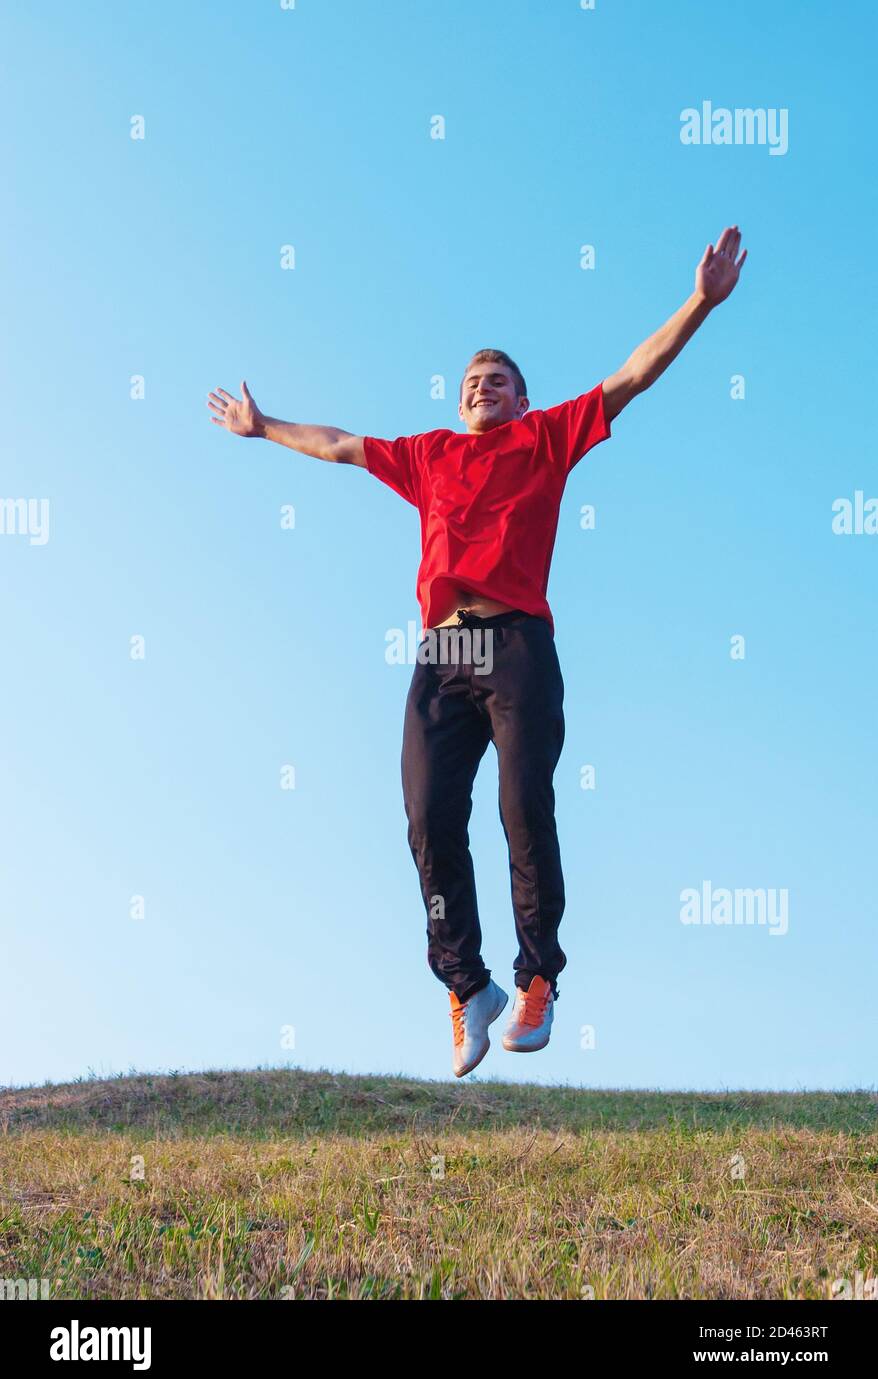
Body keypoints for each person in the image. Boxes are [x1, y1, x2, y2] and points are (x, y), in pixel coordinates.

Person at [207, 225, 747, 1078]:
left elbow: (633, 374)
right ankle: (470, 985)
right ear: (459, 402)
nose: (482, 389)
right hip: (440, 657)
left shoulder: (547, 439)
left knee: (522, 806)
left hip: (519, 646)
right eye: (471, 382)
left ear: (522, 401)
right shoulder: (428, 456)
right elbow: (341, 444)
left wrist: (700, 304)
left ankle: (538, 980)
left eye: (497, 380)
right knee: (427, 818)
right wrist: (264, 425)